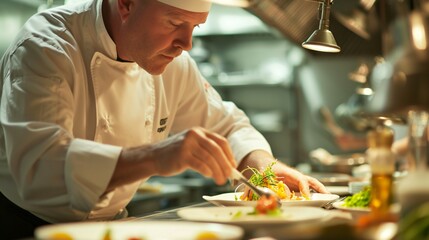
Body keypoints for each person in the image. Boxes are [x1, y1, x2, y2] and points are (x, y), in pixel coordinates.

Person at [0, 0, 328, 238]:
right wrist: (157, 156)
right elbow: (40, 168)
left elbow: (226, 125)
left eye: (195, 27)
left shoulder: (174, 63)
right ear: (126, 4)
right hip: (26, 226)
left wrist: (266, 170)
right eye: (174, 24)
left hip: (112, 227)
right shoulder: (47, 46)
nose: (187, 44)